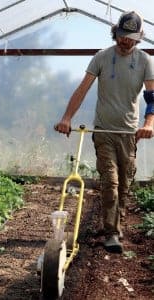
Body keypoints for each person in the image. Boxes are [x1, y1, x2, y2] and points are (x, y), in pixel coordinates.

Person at [54, 11, 154, 253]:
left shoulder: (144, 61)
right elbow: (82, 89)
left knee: (124, 185)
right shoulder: (101, 57)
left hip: (129, 133)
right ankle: (112, 233)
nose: (125, 41)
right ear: (115, 32)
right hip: (104, 130)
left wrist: (149, 123)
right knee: (110, 181)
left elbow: (152, 97)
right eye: (121, 35)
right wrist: (67, 118)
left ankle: (113, 223)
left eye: (130, 37)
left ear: (139, 37)